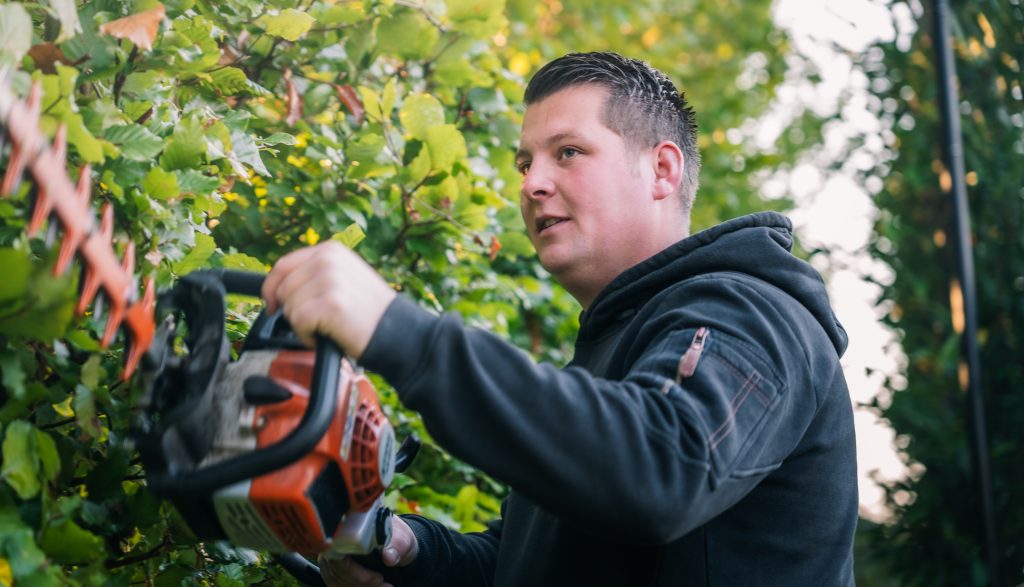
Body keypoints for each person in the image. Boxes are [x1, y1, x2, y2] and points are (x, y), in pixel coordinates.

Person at [262, 52, 858, 586]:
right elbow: (526, 566)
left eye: (568, 153)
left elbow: (659, 472)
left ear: (663, 171)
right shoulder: (615, 347)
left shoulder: (752, 315)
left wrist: (397, 331)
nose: (533, 184)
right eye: (525, 164)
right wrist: (407, 550)